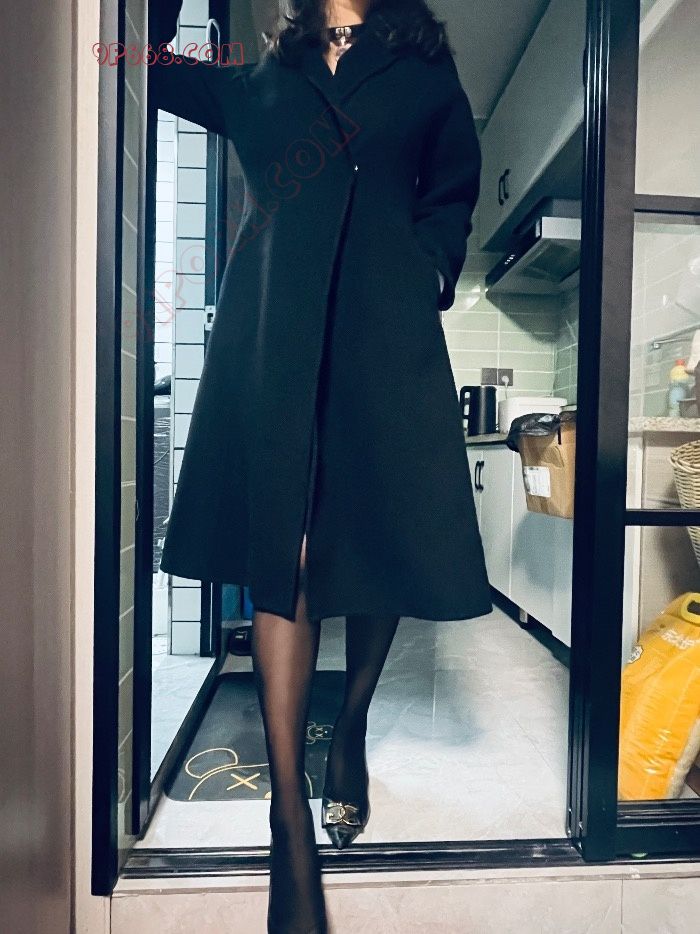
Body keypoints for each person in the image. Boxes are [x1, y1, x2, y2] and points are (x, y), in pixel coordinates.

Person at [150, 0, 491, 930]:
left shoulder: (421, 73)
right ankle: (287, 819)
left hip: (383, 335)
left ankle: (350, 727)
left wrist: (427, 267)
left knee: (376, 532)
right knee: (286, 548)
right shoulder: (262, 81)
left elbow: (451, 190)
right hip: (277, 339)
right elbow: (142, 62)